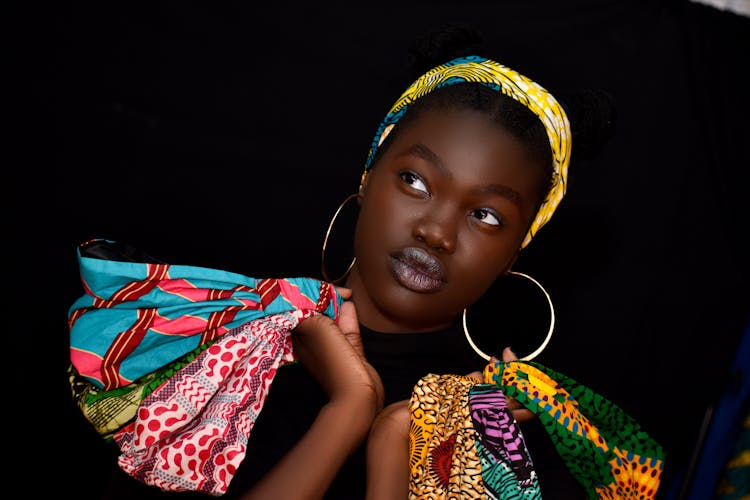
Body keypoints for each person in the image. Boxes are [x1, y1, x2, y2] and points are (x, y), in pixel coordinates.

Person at [66, 25, 664, 499]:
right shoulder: (221, 350)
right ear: (367, 176)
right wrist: (346, 412)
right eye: (415, 180)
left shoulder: (498, 424)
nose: (435, 230)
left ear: (517, 252)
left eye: (486, 216)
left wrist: (395, 436)